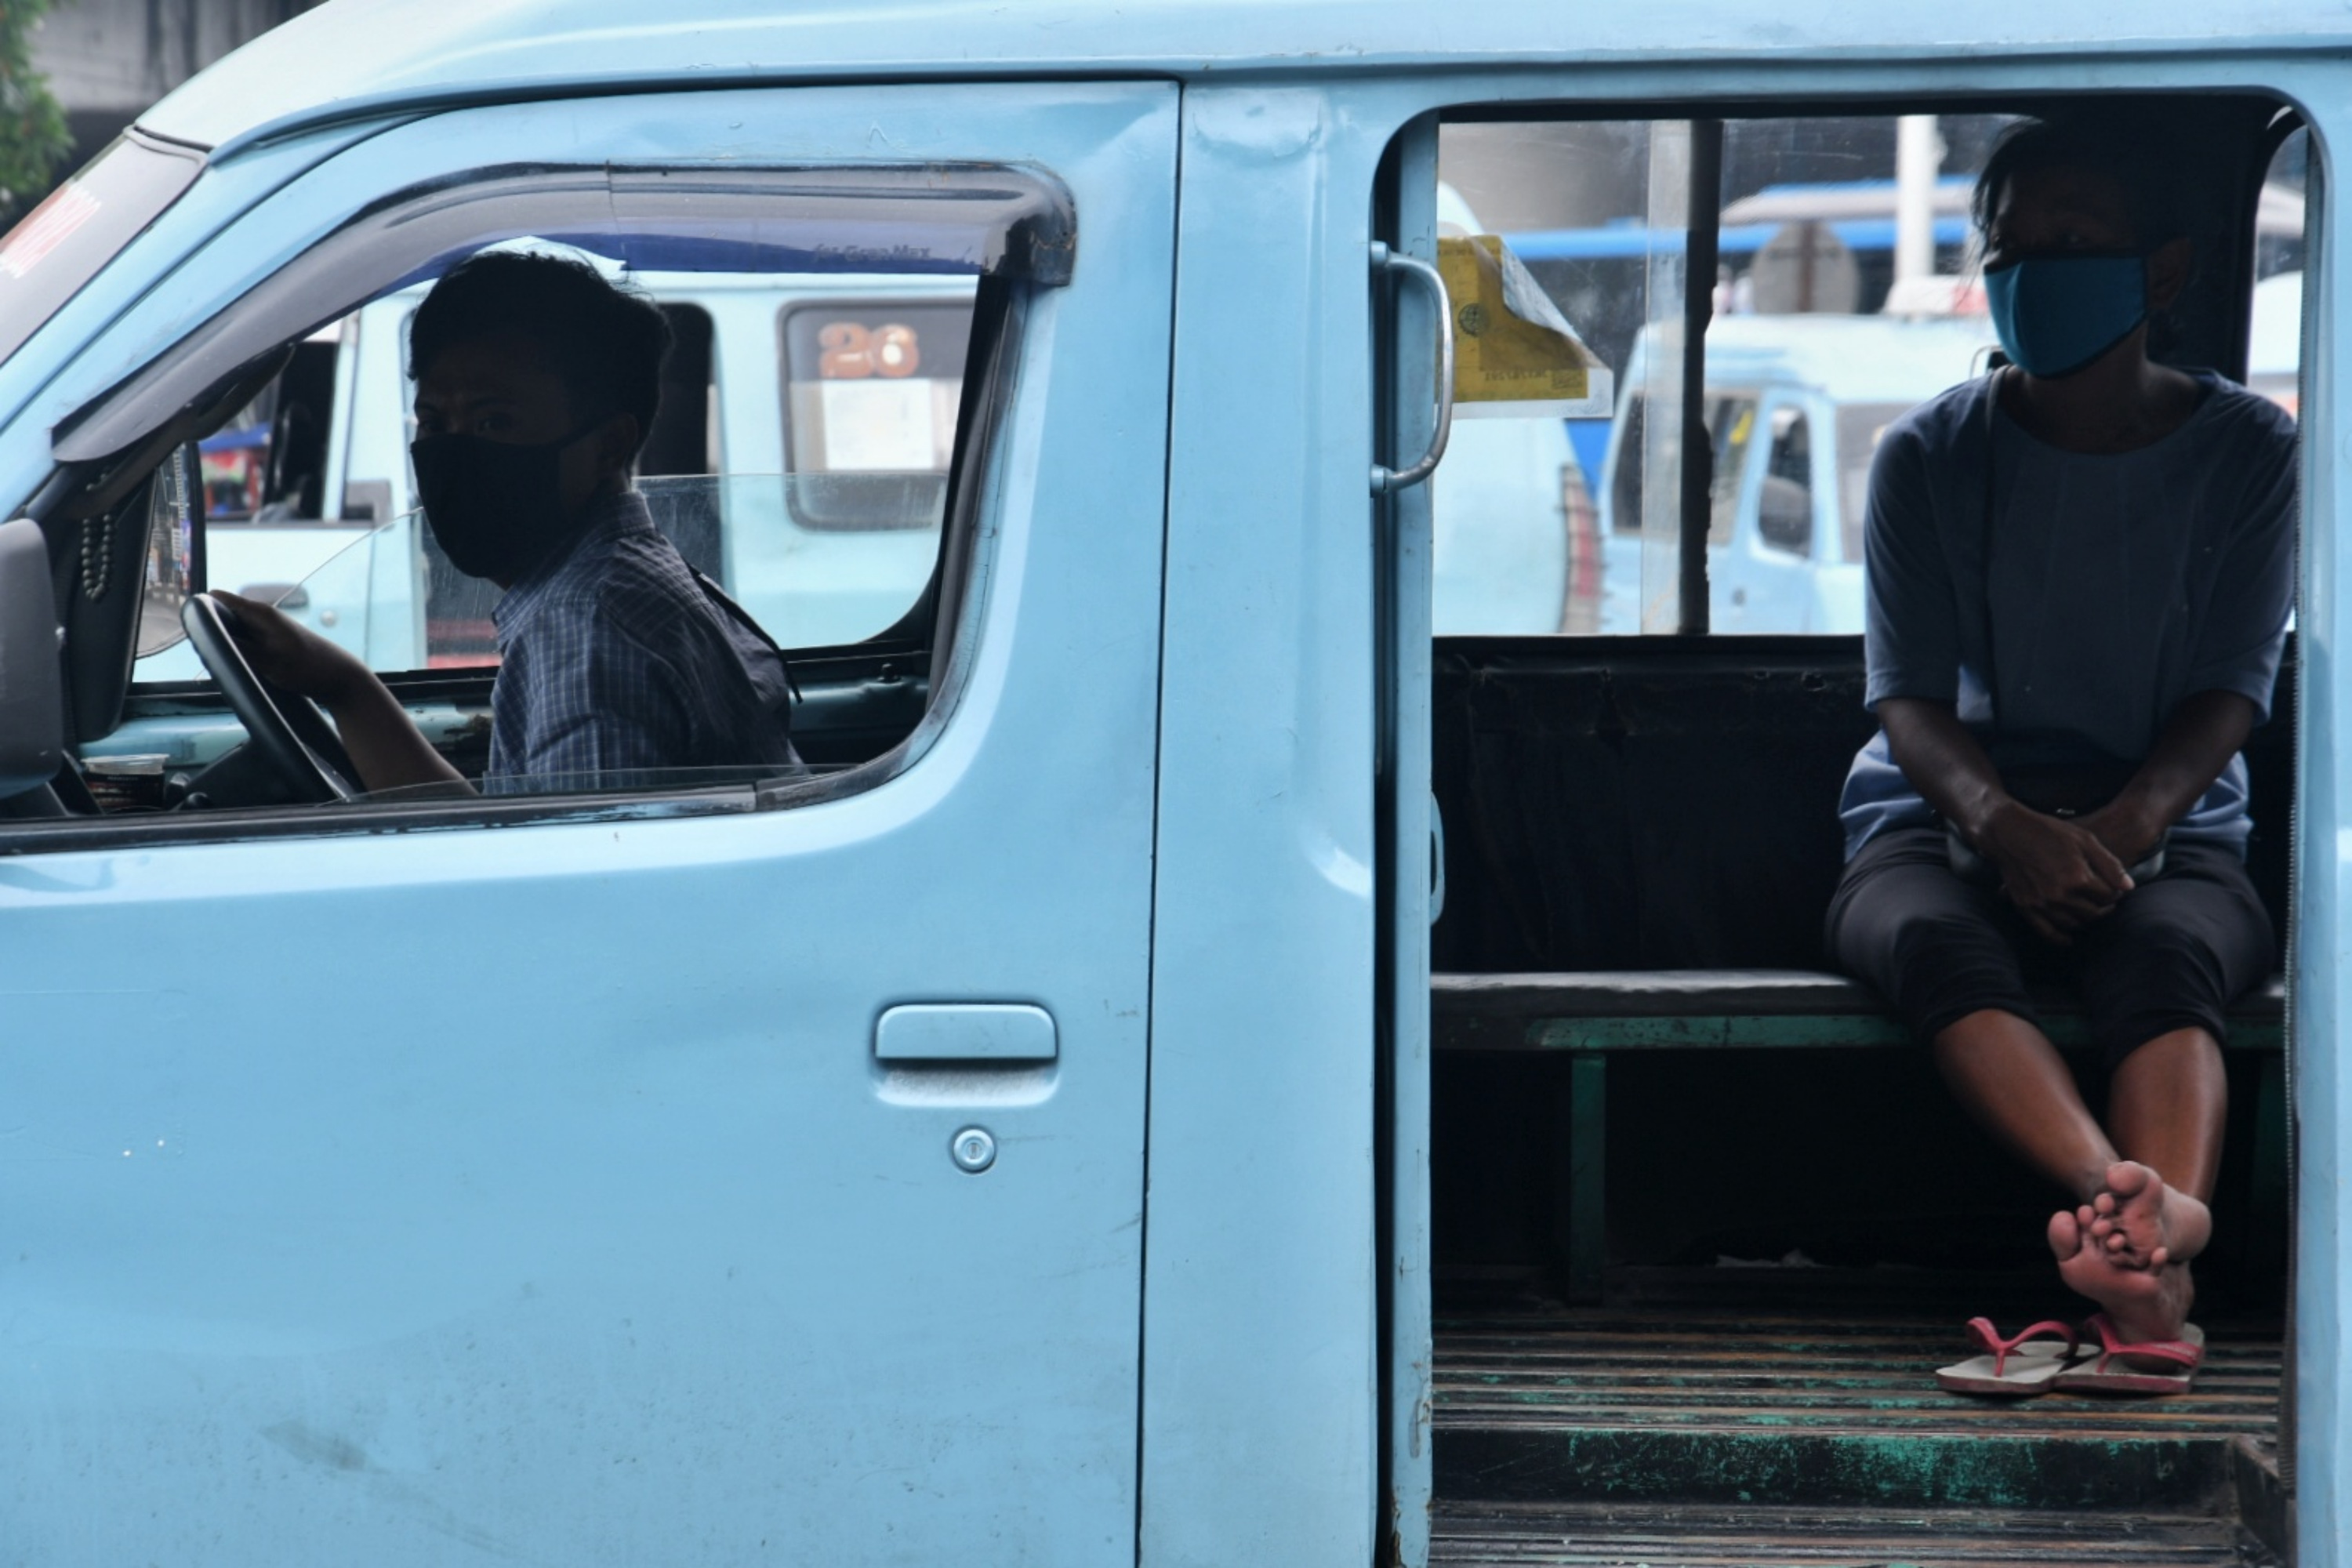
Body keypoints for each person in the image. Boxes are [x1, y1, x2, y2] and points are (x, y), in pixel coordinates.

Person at [1824, 115, 2296, 1366]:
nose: (2030, 272)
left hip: (2170, 824)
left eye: (2070, 242)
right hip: (1942, 816)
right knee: (1927, 938)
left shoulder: (2252, 455)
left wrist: (2120, 837)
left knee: (2174, 950)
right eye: (2007, 246)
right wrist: (2004, 830)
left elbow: (2230, 688)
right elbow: (1909, 699)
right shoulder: (1929, 454)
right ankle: (2139, 1231)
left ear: (2165, 274)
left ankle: (2140, 1260)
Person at [218, 250, 801, 793]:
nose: (455, 451)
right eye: (433, 421)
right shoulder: (613, 578)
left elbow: (568, 897)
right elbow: (505, 839)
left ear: (607, 446)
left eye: (495, 422)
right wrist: (345, 687)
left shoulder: (587, 636)